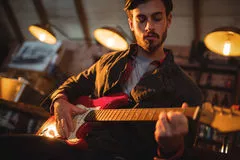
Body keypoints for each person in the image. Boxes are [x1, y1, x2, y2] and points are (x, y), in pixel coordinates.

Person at [41, 0, 203, 159]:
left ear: (168, 20)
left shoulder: (188, 91)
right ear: (131, 23)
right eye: (141, 19)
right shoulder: (108, 61)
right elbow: (73, 83)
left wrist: (171, 149)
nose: (149, 27)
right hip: (66, 143)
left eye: (157, 18)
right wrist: (59, 101)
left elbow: (185, 155)